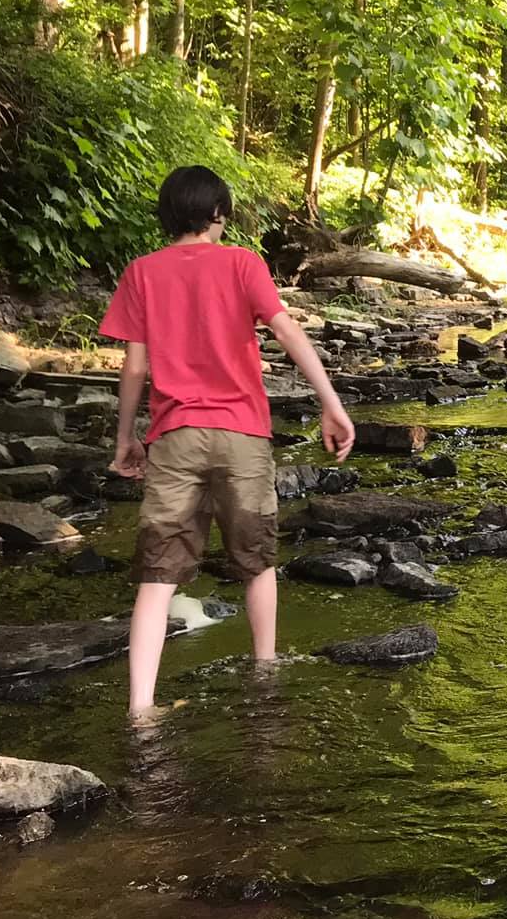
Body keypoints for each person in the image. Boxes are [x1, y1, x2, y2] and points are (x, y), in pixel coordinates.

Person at [102, 165, 356, 716]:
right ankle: (265, 672)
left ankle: (140, 708)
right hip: (242, 433)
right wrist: (331, 403)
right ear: (219, 213)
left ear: (169, 214)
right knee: (257, 560)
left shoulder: (142, 272)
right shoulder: (243, 262)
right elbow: (287, 331)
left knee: (158, 572)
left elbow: (135, 367)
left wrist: (126, 438)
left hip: (174, 436)